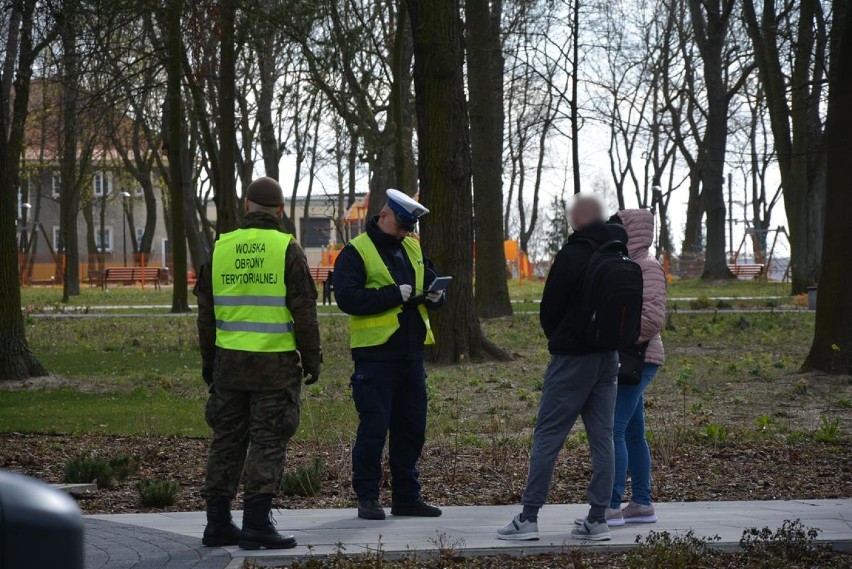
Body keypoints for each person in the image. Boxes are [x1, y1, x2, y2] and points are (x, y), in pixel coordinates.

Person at [195, 177, 321, 550]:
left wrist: (209, 364)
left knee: (227, 441)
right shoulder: (287, 249)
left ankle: (217, 523)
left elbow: (206, 315)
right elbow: (304, 312)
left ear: (247, 205)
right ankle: (256, 524)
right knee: (268, 440)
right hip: (274, 366)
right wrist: (312, 358)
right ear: (280, 210)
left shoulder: (220, 248)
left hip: (229, 364)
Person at [497, 195, 628, 543]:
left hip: (573, 357)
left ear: (578, 219)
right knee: (603, 438)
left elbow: (550, 306)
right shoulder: (618, 251)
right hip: (609, 357)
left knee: (548, 436)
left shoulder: (573, 254)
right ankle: (599, 519)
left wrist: (558, 337)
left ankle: (528, 518)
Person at [333, 189, 446, 521]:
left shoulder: (411, 245)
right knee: (374, 429)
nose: (404, 233)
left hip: (411, 356)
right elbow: (348, 298)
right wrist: (392, 295)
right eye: (400, 225)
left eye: (408, 228)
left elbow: (429, 282)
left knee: (411, 430)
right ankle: (368, 498)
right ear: (383, 216)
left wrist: (437, 297)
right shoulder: (356, 252)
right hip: (375, 358)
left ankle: (407, 497)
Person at [601, 209, 666, 525]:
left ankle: (611, 506)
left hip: (639, 359)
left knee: (614, 429)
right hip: (628, 359)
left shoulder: (648, 268)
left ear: (632, 232)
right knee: (633, 432)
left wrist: (617, 337)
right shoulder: (626, 265)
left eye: (618, 228)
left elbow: (653, 318)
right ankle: (641, 503)